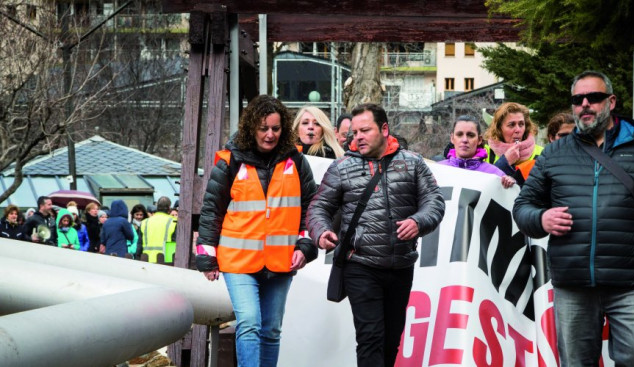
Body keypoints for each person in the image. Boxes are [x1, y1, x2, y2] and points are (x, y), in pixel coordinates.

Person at [513, 70, 634, 366]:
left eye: (593, 97)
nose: (585, 104)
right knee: (576, 362)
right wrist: (541, 218)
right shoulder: (554, 154)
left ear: (610, 101)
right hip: (574, 282)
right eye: (577, 99)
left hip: (633, 281)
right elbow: (523, 206)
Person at [307, 103, 445, 367]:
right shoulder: (341, 167)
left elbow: (434, 202)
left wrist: (419, 221)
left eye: (365, 130)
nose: (357, 136)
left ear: (384, 129)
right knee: (370, 337)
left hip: (401, 265)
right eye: (355, 131)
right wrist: (321, 230)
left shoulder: (413, 163)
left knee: (391, 339)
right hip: (360, 265)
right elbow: (319, 207)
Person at [196, 94, 319, 367]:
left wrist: (305, 245)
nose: (270, 134)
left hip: (281, 259)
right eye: (264, 128)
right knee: (249, 323)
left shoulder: (296, 161)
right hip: (238, 261)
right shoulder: (230, 161)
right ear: (252, 127)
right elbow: (211, 210)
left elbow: (312, 207)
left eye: (275, 128)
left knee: (271, 330)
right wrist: (207, 256)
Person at [437, 115, 516, 188]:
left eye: (470, 135)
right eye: (459, 134)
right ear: (452, 138)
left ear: (479, 140)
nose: (464, 140)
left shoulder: (495, 174)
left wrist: (509, 185)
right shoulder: (437, 171)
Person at [483, 102, 544, 185]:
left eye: (521, 124)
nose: (518, 130)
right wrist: (505, 161)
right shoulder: (485, 153)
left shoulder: (542, 153)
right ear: (499, 129)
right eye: (511, 125)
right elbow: (483, 185)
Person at [141, 196, 177, 263]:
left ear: (157, 207)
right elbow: (174, 241)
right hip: (166, 261)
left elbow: (139, 244)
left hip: (147, 260)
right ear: (169, 208)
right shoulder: (173, 222)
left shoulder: (145, 222)